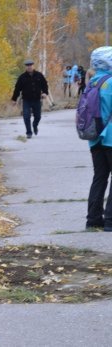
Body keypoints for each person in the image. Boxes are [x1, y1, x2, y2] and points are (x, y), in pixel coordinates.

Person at [86, 47, 112, 231]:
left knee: (100, 176)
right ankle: (110, 220)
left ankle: (93, 219)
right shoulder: (110, 82)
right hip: (110, 137)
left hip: (94, 138)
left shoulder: (92, 82)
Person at [11, 59, 49, 139]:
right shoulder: (22, 77)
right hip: (26, 100)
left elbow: (45, 85)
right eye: (27, 66)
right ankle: (29, 132)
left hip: (37, 100)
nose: (29, 67)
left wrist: (45, 93)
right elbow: (17, 89)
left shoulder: (39, 75)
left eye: (30, 65)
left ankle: (35, 125)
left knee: (38, 116)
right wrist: (14, 99)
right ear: (26, 67)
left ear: (33, 66)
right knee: (26, 116)